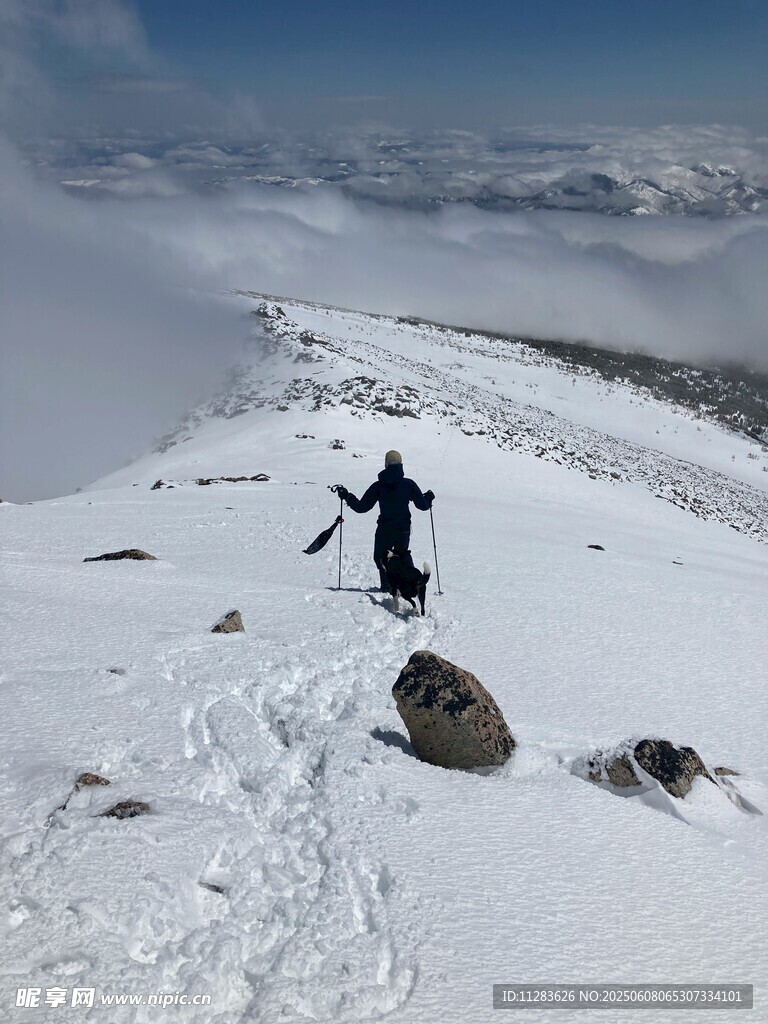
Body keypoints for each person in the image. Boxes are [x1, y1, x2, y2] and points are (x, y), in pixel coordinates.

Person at [335, 451, 434, 592]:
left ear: (386, 465)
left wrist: (347, 496)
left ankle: (387, 586)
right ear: (401, 464)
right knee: (403, 555)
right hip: (403, 528)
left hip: (385, 528)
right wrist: (429, 498)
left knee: (381, 557)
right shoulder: (409, 484)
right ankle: (412, 583)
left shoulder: (378, 486)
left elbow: (362, 507)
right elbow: (423, 505)